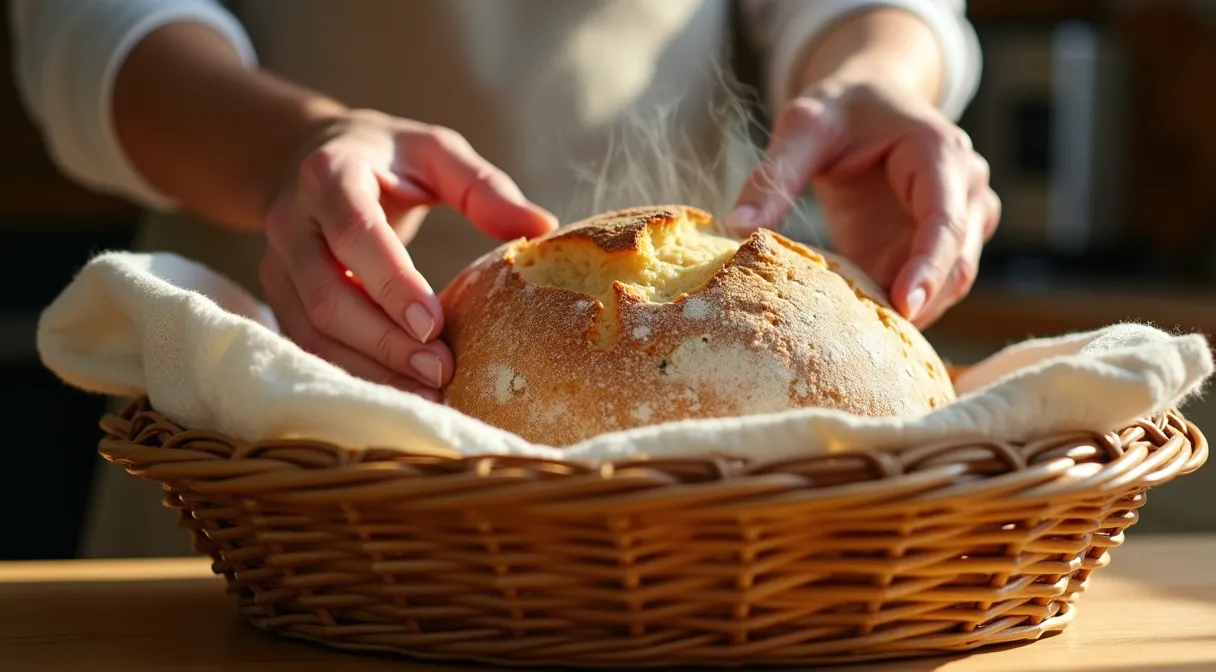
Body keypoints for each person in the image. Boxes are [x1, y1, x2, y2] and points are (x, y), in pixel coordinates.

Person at [10, 0, 998, 557]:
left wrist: (875, 76)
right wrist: (290, 151)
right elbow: (89, 28)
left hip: (720, 527)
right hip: (279, 479)